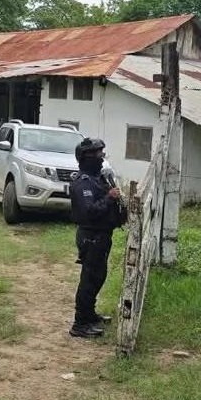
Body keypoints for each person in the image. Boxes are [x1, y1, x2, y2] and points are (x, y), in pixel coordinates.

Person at [67, 137, 127, 338]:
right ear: (86, 157)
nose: (101, 157)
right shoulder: (82, 183)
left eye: (102, 152)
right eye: (97, 153)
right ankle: (80, 323)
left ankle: (89, 314)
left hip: (102, 236)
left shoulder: (98, 179)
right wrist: (109, 197)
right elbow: (89, 212)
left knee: (98, 276)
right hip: (91, 237)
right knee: (89, 279)